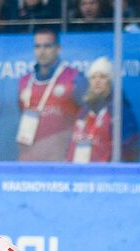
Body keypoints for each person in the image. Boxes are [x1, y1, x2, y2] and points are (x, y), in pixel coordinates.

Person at [16, 27, 86, 162]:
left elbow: (87, 117)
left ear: (58, 48)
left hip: (61, 160)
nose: (42, 51)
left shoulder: (74, 78)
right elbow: (22, 111)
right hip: (30, 159)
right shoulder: (25, 81)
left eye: (47, 46)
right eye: (37, 47)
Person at [68, 57, 140, 163]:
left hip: (106, 174)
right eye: (93, 77)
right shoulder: (83, 112)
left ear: (110, 81)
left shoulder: (120, 112)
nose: (97, 81)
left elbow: (130, 149)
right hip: (78, 172)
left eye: (102, 77)